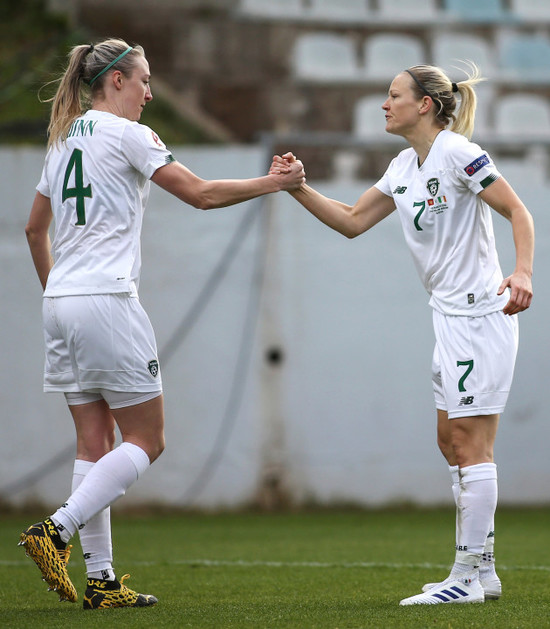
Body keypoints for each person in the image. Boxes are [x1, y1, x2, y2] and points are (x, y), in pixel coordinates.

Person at [20, 38, 305, 610]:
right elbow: (198, 193)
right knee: (148, 440)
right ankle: (55, 530)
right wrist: (274, 184)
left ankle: (100, 582)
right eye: (145, 80)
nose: (151, 92)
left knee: (93, 444)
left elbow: (33, 230)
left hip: (61, 303)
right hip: (106, 301)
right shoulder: (129, 135)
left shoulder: (64, 138)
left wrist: (59, 293)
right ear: (117, 80)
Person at [270, 63, 534, 605]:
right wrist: (298, 189)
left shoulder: (459, 152)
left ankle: (463, 579)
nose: (384, 105)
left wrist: (524, 271)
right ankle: (482, 572)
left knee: (471, 446)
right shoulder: (402, 165)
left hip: (481, 317)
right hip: (447, 320)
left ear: (426, 106)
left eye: (394, 96)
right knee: (450, 443)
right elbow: (350, 220)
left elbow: (517, 211)